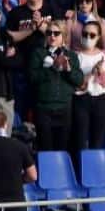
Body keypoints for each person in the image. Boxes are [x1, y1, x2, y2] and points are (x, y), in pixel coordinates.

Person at [28, 21, 81, 151]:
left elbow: (79, 80)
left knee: (62, 148)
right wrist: (53, 67)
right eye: (49, 33)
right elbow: (32, 78)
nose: (52, 36)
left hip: (65, 108)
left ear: (63, 36)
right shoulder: (38, 53)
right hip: (43, 108)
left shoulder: (71, 55)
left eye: (56, 33)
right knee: (45, 147)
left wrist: (68, 70)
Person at [72, 19, 105, 153]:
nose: (88, 37)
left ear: (99, 37)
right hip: (81, 100)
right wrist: (91, 73)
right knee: (80, 141)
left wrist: (101, 73)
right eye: (85, 34)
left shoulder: (103, 54)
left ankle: (94, 170)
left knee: (98, 141)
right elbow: (75, 82)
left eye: (92, 35)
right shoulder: (75, 55)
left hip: (100, 99)